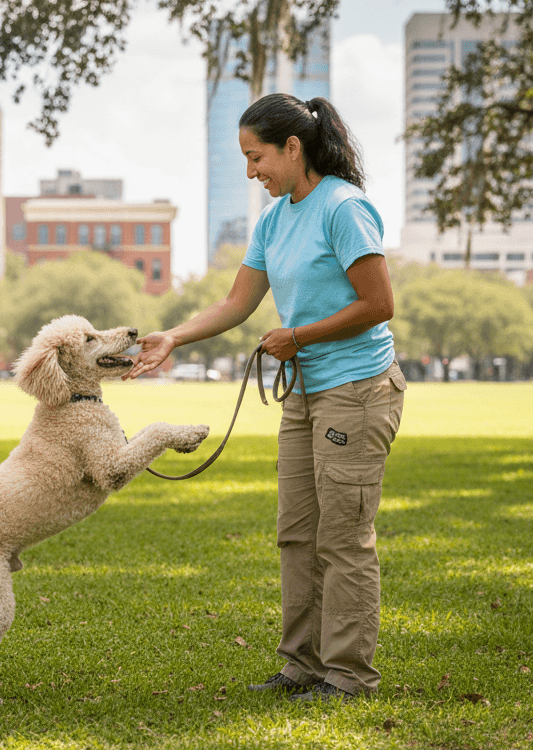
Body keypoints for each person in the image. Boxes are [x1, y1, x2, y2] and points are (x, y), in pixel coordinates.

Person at [126, 93, 406, 702]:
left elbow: (379, 306)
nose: (252, 172)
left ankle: (349, 677)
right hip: (306, 392)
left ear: (293, 147)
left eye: (256, 158)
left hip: (357, 391)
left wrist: (299, 335)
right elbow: (237, 303)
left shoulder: (343, 207)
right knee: (296, 533)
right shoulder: (275, 219)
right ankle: (301, 666)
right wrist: (172, 336)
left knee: (342, 536)